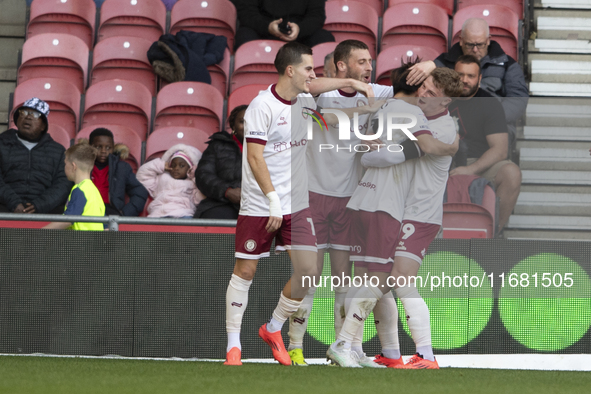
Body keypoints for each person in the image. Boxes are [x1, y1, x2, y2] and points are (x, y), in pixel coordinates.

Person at [223, 41, 382, 366]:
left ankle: (273, 328)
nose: (313, 74)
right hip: (261, 203)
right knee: (246, 270)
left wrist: (356, 96)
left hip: (296, 203)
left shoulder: (305, 101)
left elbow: (327, 121)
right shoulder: (261, 106)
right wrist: (271, 201)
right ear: (291, 71)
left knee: (308, 272)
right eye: (308, 69)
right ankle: (233, 346)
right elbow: (254, 157)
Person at [328, 67, 462, 368]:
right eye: (424, 88)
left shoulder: (443, 130)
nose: (425, 95)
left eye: (433, 94)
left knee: (395, 280)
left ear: (446, 103)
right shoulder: (417, 115)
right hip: (395, 208)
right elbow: (372, 155)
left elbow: (396, 154)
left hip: (420, 213)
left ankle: (423, 353)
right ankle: (389, 354)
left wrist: (452, 148)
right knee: (379, 281)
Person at [287, 39, 394, 368]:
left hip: (349, 200)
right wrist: (352, 87)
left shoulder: (375, 91)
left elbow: (414, 86)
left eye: (370, 61)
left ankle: (343, 350)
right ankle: (294, 348)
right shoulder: (315, 93)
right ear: (342, 65)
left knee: (343, 279)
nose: (369, 67)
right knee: (308, 277)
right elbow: (312, 88)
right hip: (313, 197)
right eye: (361, 62)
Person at [406, 18, 528, 142]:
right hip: (451, 120)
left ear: (488, 40)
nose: (475, 50)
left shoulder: (508, 64)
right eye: (470, 45)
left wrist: (489, 118)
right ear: (461, 41)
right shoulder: (444, 62)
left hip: (492, 125)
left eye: (480, 45)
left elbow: (518, 99)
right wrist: (431, 65)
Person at [449, 55, 522, 233]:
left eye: (471, 76)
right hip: (441, 161)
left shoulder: (490, 104)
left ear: (480, 79)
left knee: (511, 173)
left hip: (477, 162)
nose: (464, 80)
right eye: (460, 75)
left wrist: (469, 169)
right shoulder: (439, 97)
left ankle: (492, 233)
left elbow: (500, 150)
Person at [0, 98, 72, 214]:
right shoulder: (2, 143)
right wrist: (13, 202)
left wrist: (39, 205)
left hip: (45, 211)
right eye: (24, 113)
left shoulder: (58, 151)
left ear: (43, 125)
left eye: (35, 114)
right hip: (5, 207)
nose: (28, 117)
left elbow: (63, 184)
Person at [194, 105, 247, 219]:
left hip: (259, 206)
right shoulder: (217, 145)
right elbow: (203, 176)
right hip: (221, 203)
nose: (249, 126)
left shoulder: (269, 149)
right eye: (242, 122)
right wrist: (227, 191)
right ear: (233, 126)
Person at [43, 142, 105, 231]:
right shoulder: (94, 191)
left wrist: (39, 233)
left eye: (65, 163)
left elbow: (67, 220)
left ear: (73, 166)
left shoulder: (80, 190)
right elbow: (105, 226)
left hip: (81, 243)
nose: (64, 167)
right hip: (94, 242)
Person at [87, 128, 148, 217]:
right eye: (98, 147)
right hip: (86, 211)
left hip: (111, 213)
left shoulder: (122, 168)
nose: (103, 151)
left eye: (108, 148)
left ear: (113, 148)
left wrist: (124, 214)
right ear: (89, 147)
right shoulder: (81, 165)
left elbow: (140, 192)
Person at [136, 144, 204, 218]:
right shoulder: (161, 178)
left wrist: (195, 177)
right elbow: (142, 175)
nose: (176, 168)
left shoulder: (192, 183)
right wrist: (161, 165)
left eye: (181, 166)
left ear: (190, 168)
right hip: (159, 213)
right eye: (173, 165)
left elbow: (201, 198)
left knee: (191, 226)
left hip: (183, 214)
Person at [234, 0, 335, 50]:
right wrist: (267, 27)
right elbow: (246, 13)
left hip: (300, 34)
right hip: (263, 31)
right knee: (244, 36)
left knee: (324, 38)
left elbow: (317, 16)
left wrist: (300, 29)